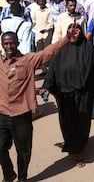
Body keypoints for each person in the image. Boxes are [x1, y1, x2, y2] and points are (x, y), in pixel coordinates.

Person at [0, 28, 78, 182]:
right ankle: (9, 174)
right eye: (5, 43)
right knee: (0, 148)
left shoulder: (28, 61)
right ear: (2, 45)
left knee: (23, 151)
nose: (9, 46)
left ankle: (22, 177)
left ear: (18, 43)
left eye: (12, 43)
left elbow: (48, 52)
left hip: (22, 114)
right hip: (2, 114)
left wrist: (65, 39)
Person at [40, 24, 94, 168]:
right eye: (70, 32)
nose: (74, 35)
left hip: (84, 94)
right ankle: (71, 145)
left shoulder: (89, 48)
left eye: (77, 32)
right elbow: (53, 70)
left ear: (81, 32)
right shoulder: (60, 50)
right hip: (64, 94)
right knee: (67, 122)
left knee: (82, 122)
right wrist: (46, 86)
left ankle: (79, 150)